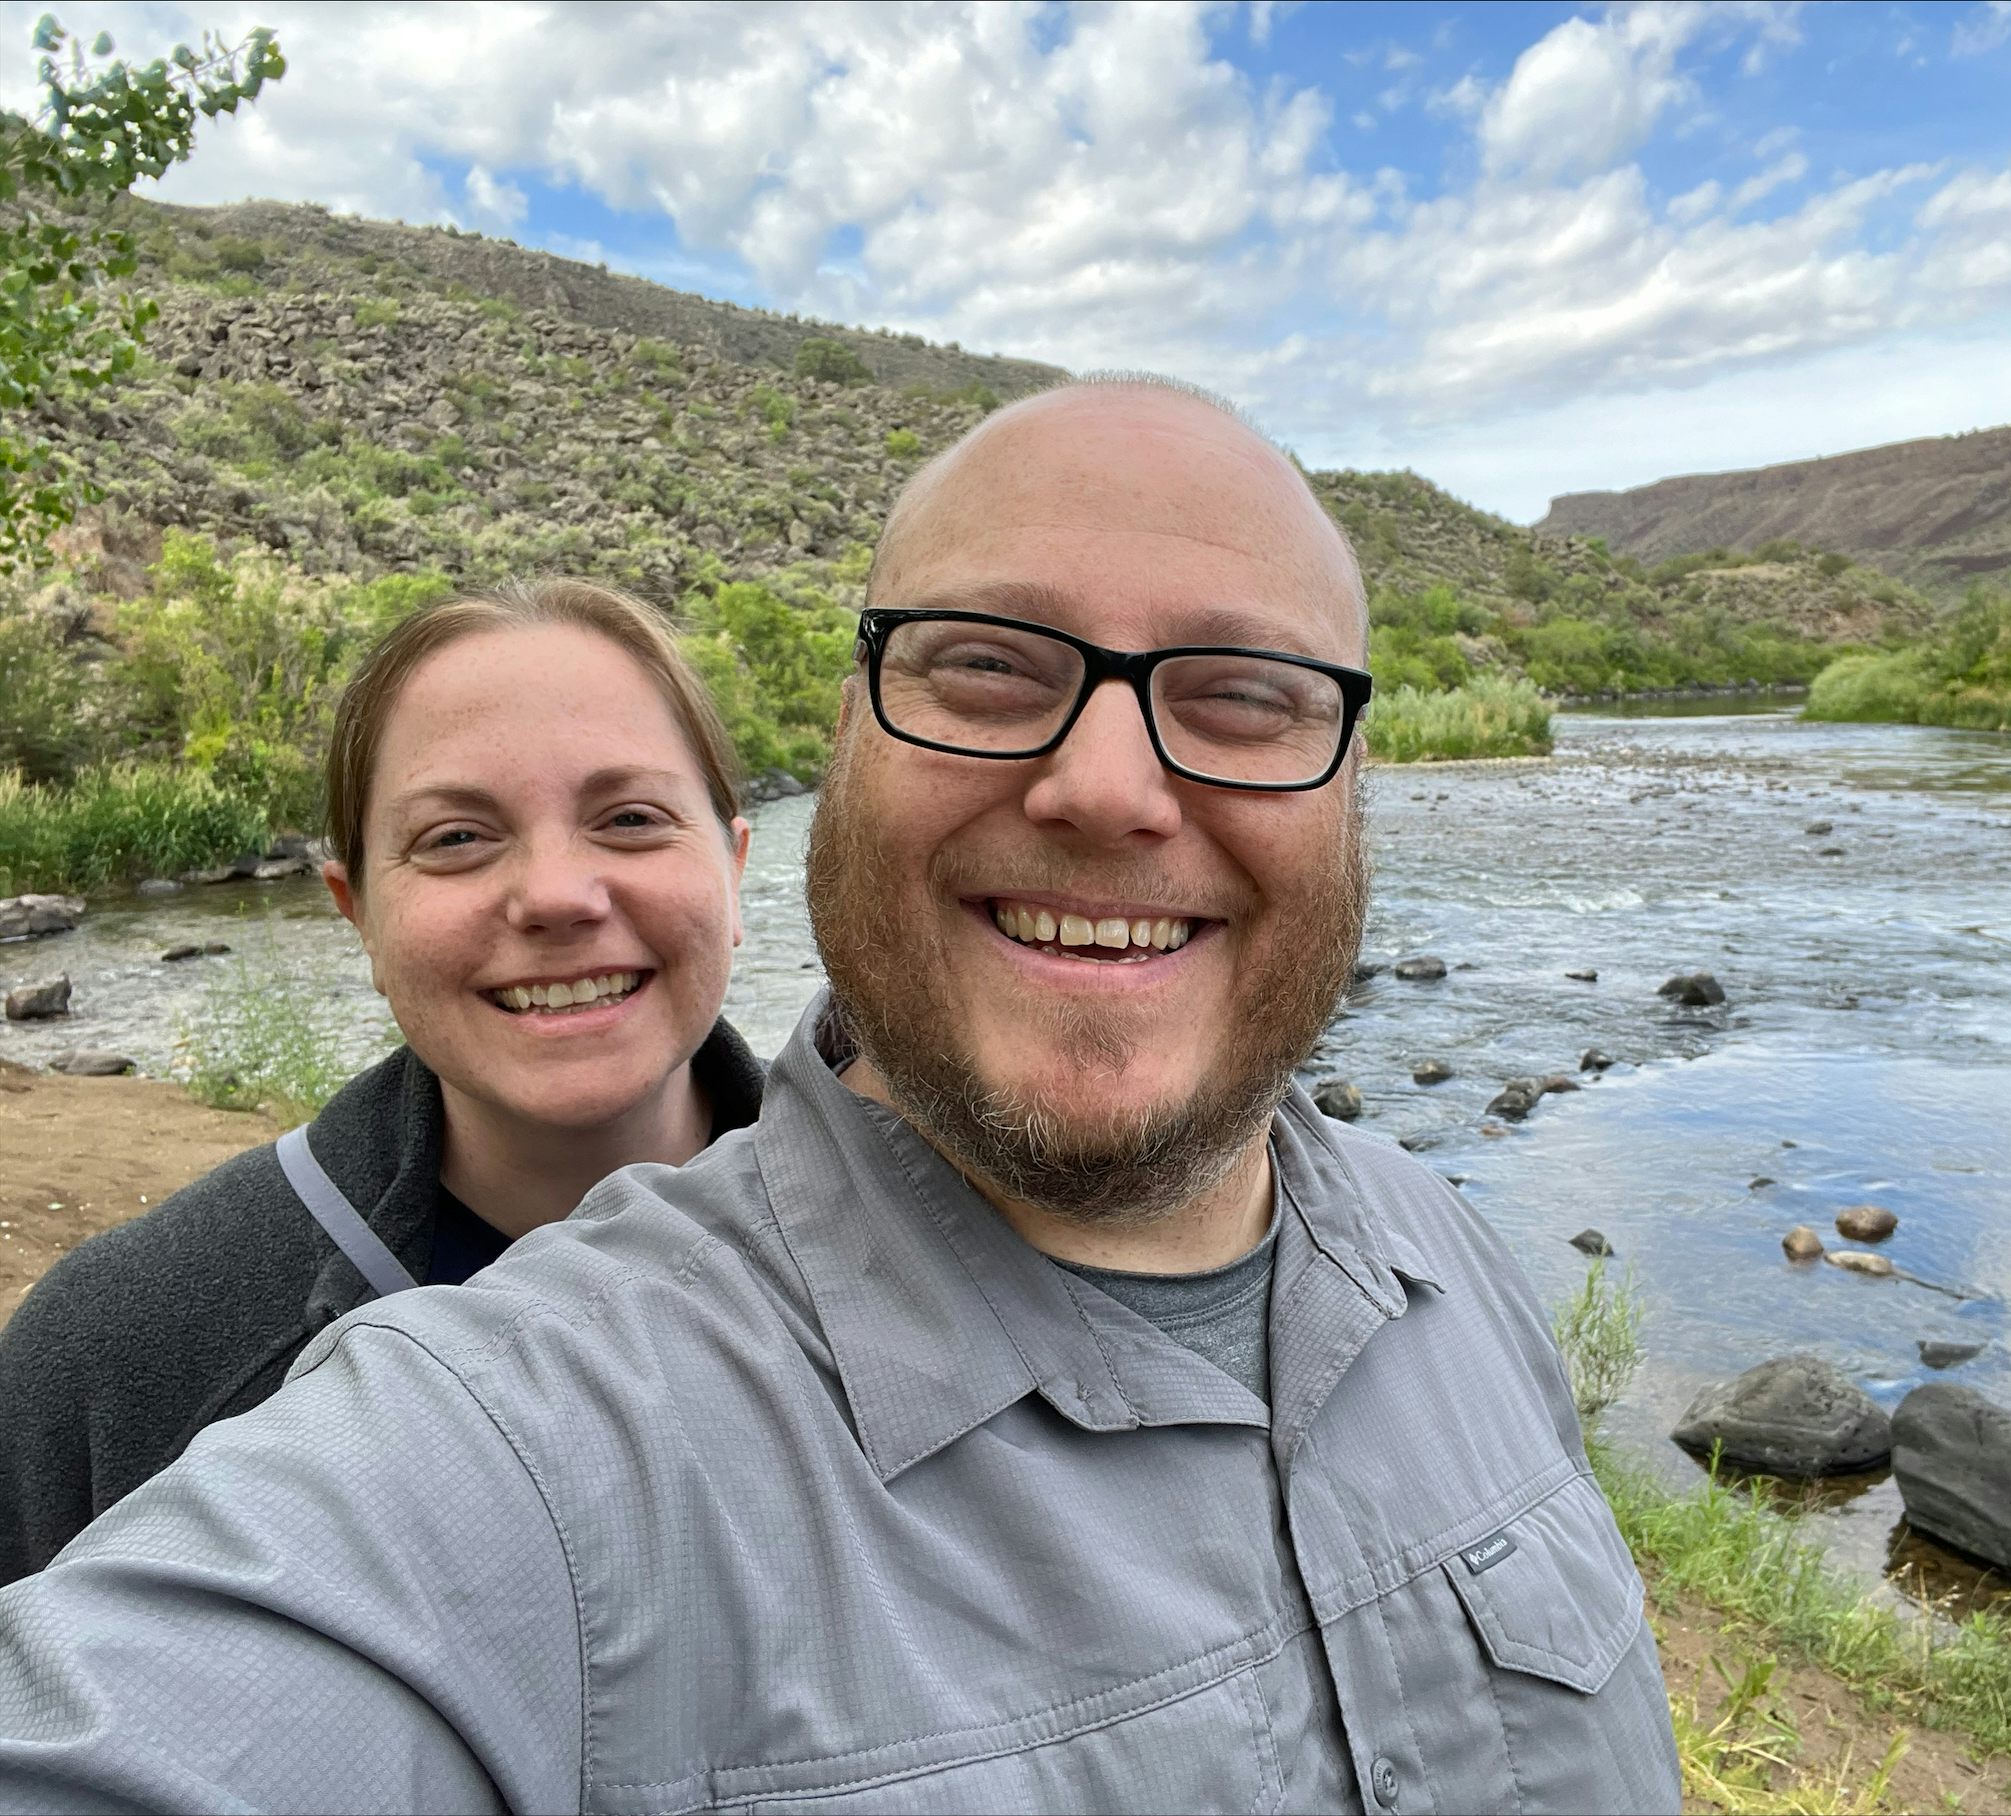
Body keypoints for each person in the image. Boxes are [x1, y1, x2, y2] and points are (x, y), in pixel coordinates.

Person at [0, 381, 1681, 1815]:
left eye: (1244, 696)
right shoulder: (525, 1449)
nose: (1107, 787)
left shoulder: (1457, 1272)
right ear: (851, 740)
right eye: (986, 666)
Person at [0, 579, 762, 1586]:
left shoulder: (937, 1258)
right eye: (455, 837)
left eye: (628, 817)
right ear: (355, 910)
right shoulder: (110, 1361)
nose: (555, 896)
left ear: (734, 866)